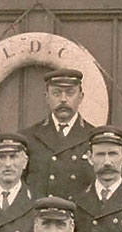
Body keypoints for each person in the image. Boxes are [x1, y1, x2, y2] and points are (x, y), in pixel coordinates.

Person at [21, 70, 96, 199]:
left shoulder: (93, 138)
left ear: (81, 97)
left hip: (78, 217)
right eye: (56, 93)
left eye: (70, 93)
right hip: (40, 215)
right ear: (47, 97)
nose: (63, 99)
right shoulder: (29, 137)